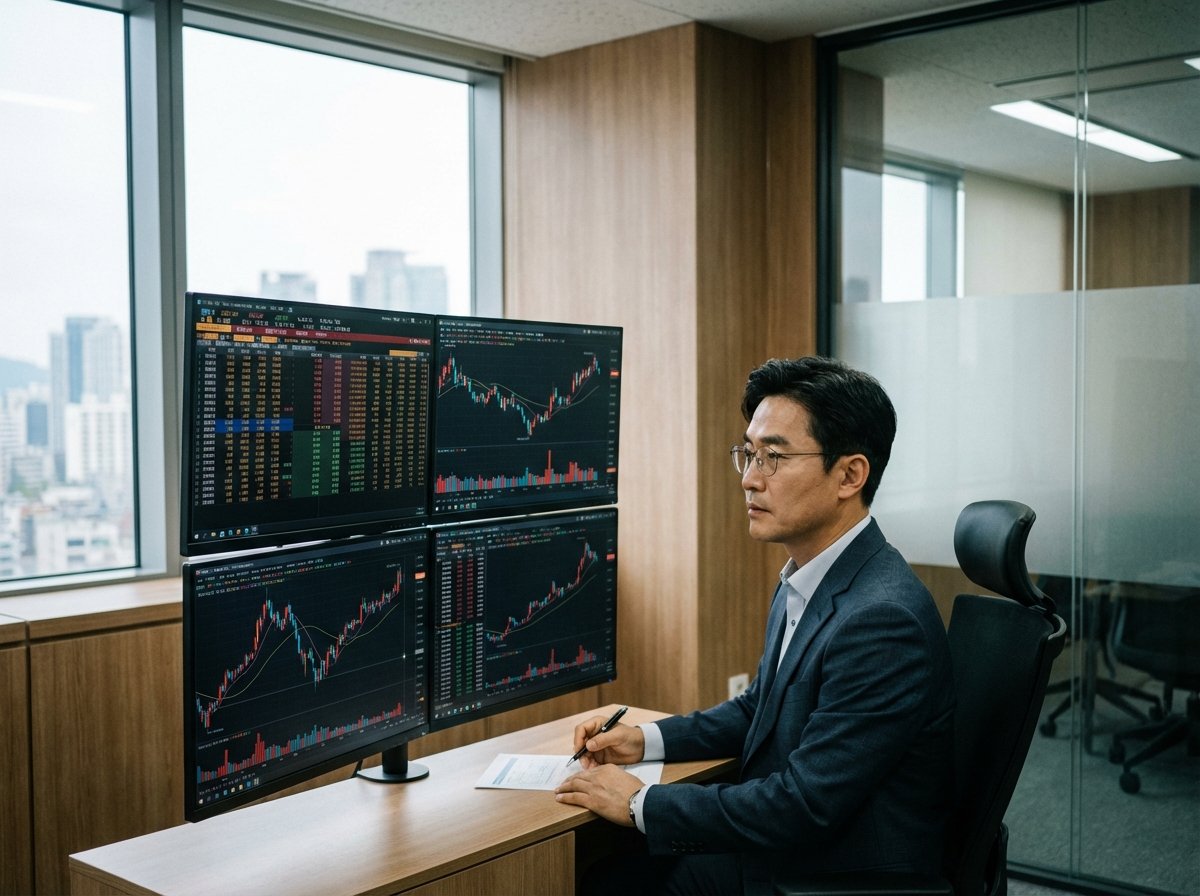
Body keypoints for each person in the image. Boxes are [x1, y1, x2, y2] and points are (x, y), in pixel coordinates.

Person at [554, 356, 955, 896]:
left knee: (605, 878)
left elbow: (802, 804)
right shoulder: (812, 576)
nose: (748, 478)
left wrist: (636, 800)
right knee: (606, 868)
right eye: (748, 453)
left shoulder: (881, 620)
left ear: (850, 475)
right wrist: (643, 740)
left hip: (825, 872)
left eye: (773, 457)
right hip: (791, 850)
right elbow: (760, 708)